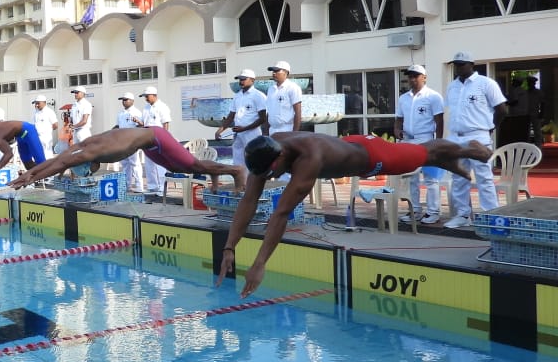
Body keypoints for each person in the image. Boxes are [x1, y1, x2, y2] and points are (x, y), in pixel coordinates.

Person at [217, 133, 493, 297]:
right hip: (346, 148)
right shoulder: (269, 147)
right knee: (423, 155)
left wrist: (260, 262)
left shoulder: (308, 160)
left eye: (269, 174)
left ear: (277, 161)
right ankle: (451, 158)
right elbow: (249, 200)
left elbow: (281, 214)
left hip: (371, 156)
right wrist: (230, 246)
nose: (270, 178)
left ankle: (469, 149)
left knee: (420, 154)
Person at [7, 126, 246, 193]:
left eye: (87, 172)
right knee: (177, 167)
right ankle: (214, 174)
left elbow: (58, 165)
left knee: (190, 165)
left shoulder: (89, 152)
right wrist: (29, 174)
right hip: (148, 143)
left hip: (156, 136)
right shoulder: (82, 147)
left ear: (90, 165)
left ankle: (235, 171)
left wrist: (29, 179)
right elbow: (54, 161)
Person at [443, 51, 508, 229]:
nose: (458, 68)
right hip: (456, 137)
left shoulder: (486, 83)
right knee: (458, 178)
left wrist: (490, 127)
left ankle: (490, 215)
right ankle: (463, 215)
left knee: (484, 178)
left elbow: (502, 110)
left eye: (462, 64)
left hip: (478, 136)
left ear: (472, 65)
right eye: (456, 64)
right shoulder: (452, 86)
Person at [393, 64, 445, 225]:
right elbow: (399, 120)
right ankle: (414, 209)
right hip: (409, 141)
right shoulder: (403, 98)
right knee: (412, 178)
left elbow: (439, 121)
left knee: (431, 178)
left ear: (424, 77)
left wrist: (438, 142)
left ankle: (433, 211)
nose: (412, 79)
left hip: (427, 140)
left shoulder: (433, 96)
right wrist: (396, 130)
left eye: (416, 76)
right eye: (410, 76)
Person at [216, 69, 268, 172]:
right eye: (240, 79)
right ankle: (241, 185)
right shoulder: (237, 96)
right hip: (238, 133)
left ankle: (253, 185)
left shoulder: (258, 96)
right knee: (238, 161)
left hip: (252, 134)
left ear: (252, 80)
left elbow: (263, 118)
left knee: (253, 160)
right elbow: (231, 115)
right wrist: (220, 130)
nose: (241, 81)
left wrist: (245, 128)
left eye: (244, 79)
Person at [140, 85, 172, 193]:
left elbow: (166, 123)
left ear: (154, 95)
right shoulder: (146, 108)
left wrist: (165, 139)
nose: (146, 98)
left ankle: (162, 188)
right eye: (145, 96)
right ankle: (152, 186)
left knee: (160, 165)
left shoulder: (162, 107)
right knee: (149, 164)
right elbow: (144, 123)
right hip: (147, 139)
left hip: (159, 139)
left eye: (147, 96)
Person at [115, 92, 145, 193]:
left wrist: (138, 122)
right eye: (123, 100)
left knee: (135, 164)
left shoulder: (137, 112)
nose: (124, 102)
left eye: (126, 100)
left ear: (132, 101)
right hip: (122, 142)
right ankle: (126, 185)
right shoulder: (120, 114)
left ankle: (139, 186)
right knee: (125, 164)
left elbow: (142, 126)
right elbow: (118, 127)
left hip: (132, 142)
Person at [266, 61, 303, 135]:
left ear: (286, 72)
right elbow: (269, 112)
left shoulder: (292, 88)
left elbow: (298, 113)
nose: (273, 73)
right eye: (273, 71)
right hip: (272, 130)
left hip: (286, 130)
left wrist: (294, 134)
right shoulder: (271, 89)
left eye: (277, 71)